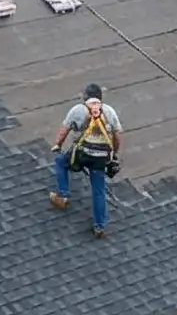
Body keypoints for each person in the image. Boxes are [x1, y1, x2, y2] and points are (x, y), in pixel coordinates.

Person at [50, 83, 123, 237]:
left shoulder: (77, 110)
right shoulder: (109, 112)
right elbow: (117, 136)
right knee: (98, 190)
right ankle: (99, 227)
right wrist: (114, 154)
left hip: (82, 154)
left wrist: (58, 145)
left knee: (61, 162)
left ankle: (63, 195)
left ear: (85, 97)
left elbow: (64, 131)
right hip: (100, 158)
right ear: (100, 98)